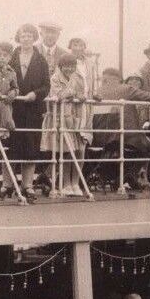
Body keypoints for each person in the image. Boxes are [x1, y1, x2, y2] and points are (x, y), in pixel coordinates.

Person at [92, 67, 150, 190]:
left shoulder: (98, 91)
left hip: (99, 136)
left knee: (135, 146)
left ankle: (124, 177)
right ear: (120, 79)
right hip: (121, 135)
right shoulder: (126, 89)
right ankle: (126, 177)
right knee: (147, 146)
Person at [9, 24, 52, 196]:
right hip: (13, 108)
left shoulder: (41, 60)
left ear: (34, 38)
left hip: (33, 109)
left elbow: (46, 85)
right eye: (22, 35)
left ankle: (27, 185)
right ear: (18, 37)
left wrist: (35, 94)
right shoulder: (11, 57)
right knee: (10, 147)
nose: (25, 38)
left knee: (31, 147)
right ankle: (7, 185)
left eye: (29, 35)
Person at [44, 52, 91, 196]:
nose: (69, 69)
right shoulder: (55, 78)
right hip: (61, 119)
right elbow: (59, 95)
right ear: (61, 66)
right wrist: (75, 94)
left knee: (79, 151)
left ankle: (75, 183)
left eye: (72, 66)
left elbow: (82, 94)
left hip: (77, 117)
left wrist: (78, 95)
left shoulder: (78, 77)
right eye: (66, 66)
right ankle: (65, 184)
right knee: (66, 151)